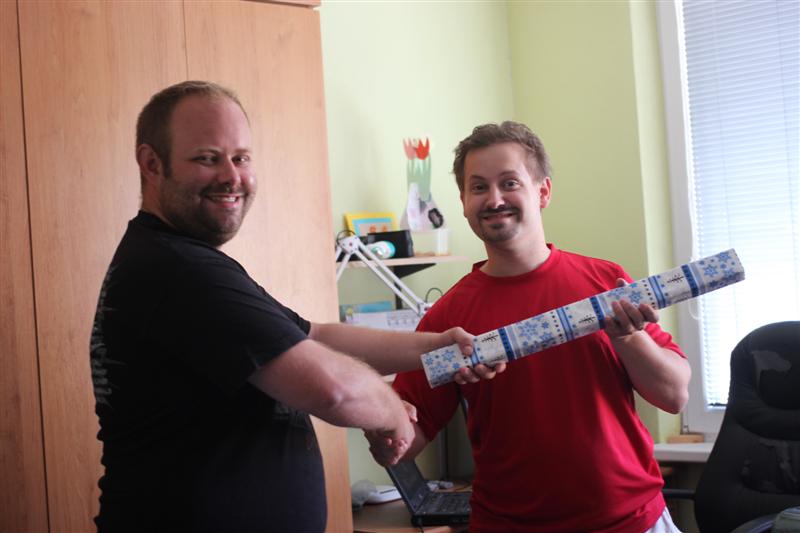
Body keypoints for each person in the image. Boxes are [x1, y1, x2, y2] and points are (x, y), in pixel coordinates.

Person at [89, 81, 502, 533]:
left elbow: (314, 336)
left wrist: (434, 347)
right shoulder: (179, 270)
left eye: (241, 158)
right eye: (207, 158)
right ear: (152, 164)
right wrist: (390, 411)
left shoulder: (183, 261)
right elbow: (333, 390)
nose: (231, 176)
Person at [366, 121, 691, 533]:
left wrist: (628, 337)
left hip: (632, 521)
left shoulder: (606, 283)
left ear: (543, 192)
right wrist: (377, 423)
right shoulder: (448, 319)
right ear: (464, 202)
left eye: (510, 183)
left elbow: (674, 395)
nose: (494, 199)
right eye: (479, 187)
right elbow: (404, 443)